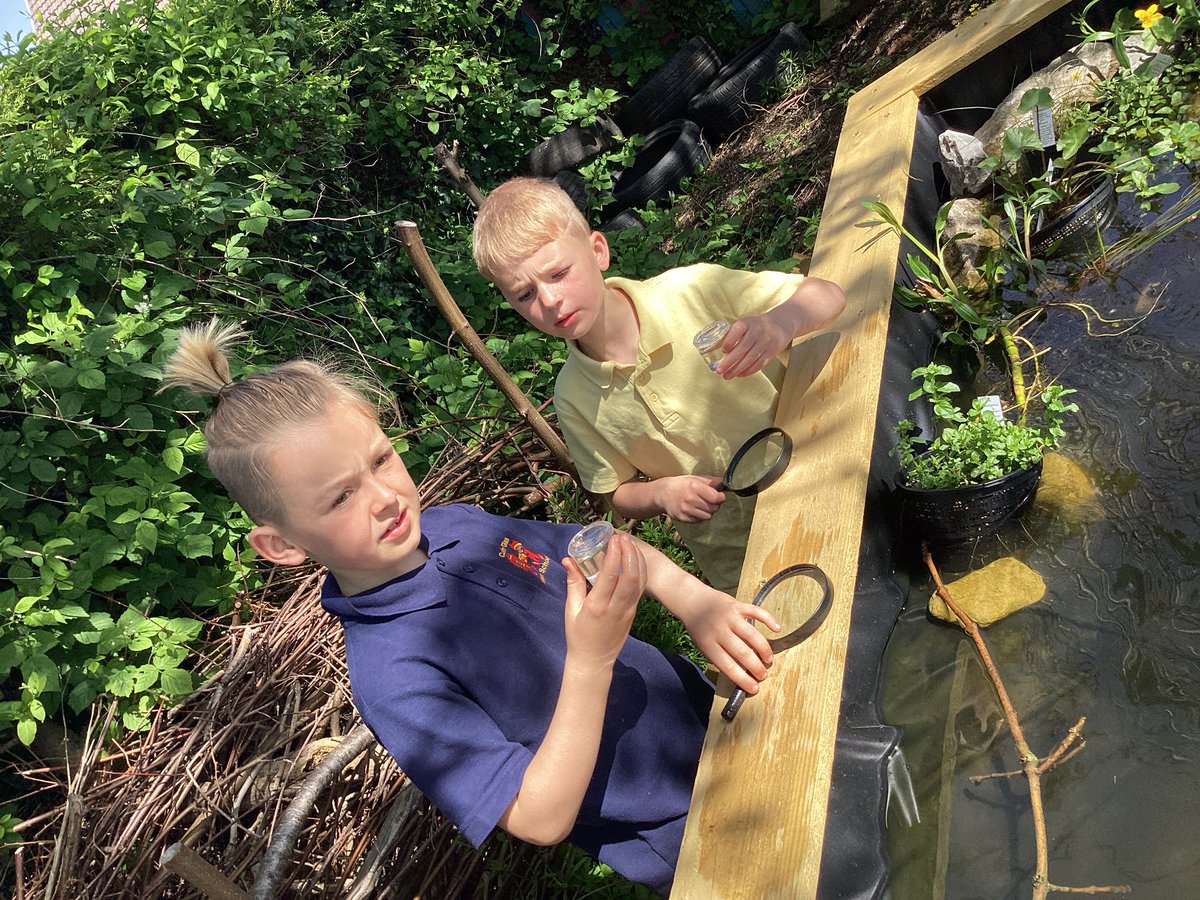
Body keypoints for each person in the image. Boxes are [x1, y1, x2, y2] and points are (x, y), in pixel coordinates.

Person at [159, 319, 783, 895]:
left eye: (380, 459)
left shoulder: (457, 525)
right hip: (679, 824)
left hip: (716, 712)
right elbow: (538, 817)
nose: (384, 497)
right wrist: (590, 662)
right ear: (282, 545)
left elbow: (594, 545)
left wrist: (693, 599)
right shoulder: (392, 675)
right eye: (340, 497)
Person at [473, 177, 847, 594]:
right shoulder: (573, 396)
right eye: (525, 295)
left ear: (598, 250)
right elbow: (616, 491)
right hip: (738, 554)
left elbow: (827, 295)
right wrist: (664, 493)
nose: (549, 301)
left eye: (559, 273)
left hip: (820, 479)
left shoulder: (690, 292)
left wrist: (782, 322)